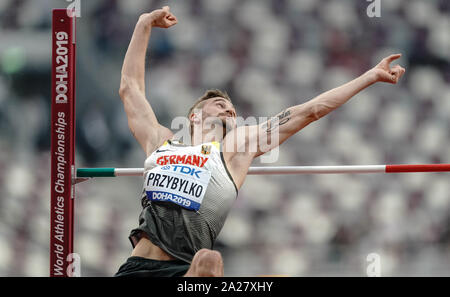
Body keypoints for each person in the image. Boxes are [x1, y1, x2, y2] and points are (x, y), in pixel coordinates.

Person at [114, 6, 405, 277]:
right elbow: (130, 89)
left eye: (232, 109)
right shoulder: (161, 141)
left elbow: (310, 111)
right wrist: (144, 23)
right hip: (136, 266)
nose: (228, 109)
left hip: (185, 270)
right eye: (218, 103)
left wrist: (369, 76)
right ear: (194, 116)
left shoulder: (235, 150)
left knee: (209, 261)